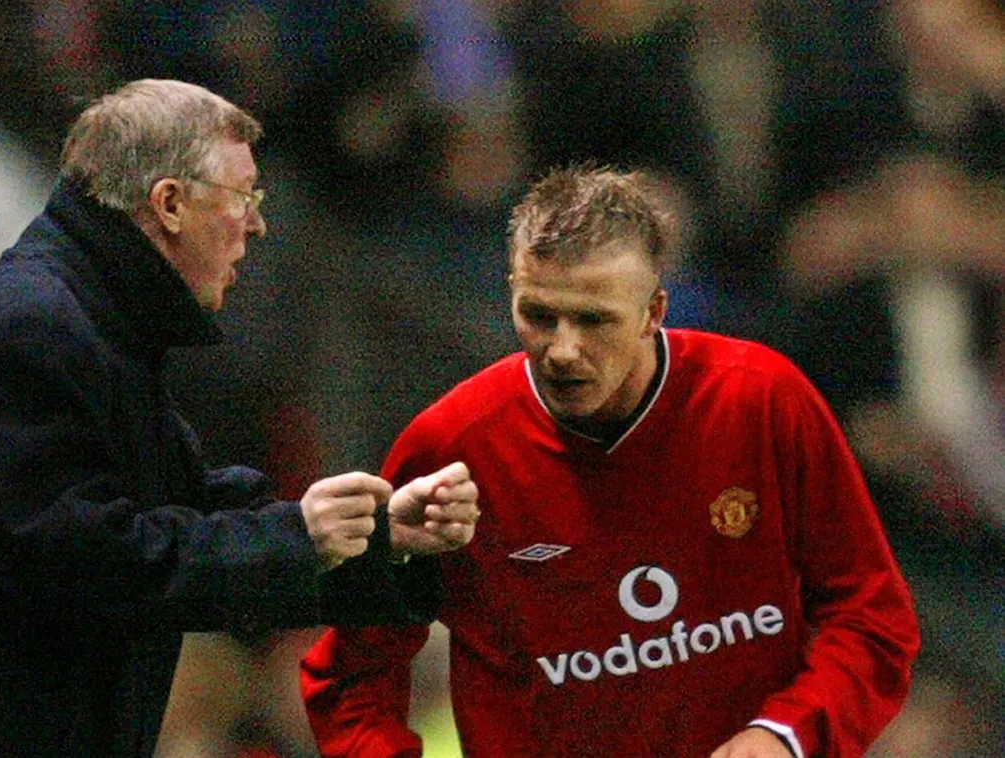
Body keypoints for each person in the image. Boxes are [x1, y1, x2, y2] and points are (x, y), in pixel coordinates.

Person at [0, 78, 480, 757]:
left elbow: (186, 515)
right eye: (243, 195)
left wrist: (385, 542)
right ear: (168, 204)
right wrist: (299, 536)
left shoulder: (85, 328)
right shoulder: (26, 333)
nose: (257, 224)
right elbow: (102, 565)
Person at [300, 165, 921, 758]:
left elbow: (872, 618)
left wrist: (788, 733)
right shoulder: (453, 448)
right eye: (538, 316)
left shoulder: (760, 402)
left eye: (594, 320)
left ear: (654, 312)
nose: (563, 349)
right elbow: (351, 678)